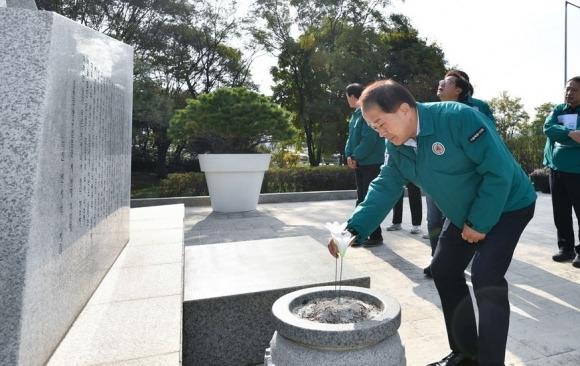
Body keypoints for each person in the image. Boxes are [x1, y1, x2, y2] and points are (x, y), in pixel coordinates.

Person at [327, 80, 536, 366]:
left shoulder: (457, 118)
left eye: (380, 123)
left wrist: (479, 222)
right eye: (374, 128)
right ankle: (466, 353)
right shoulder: (397, 145)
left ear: (403, 110)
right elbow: (385, 186)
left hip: (509, 205)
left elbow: (499, 173)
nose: (380, 133)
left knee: (487, 279)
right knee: (444, 270)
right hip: (463, 210)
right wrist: (353, 229)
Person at [543, 76, 580, 268]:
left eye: (574, 90)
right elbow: (548, 128)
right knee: (561, 212)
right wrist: (569, 134)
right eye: (567, 89)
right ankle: (566, 248)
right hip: (556, 169)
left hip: (577, 171)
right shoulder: (559, 109)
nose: (569, 93)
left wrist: (564, 135)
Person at [344, 83, 386, 247]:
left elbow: (369, 139)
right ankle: (359, 233)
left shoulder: (368, 113)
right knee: (361, 198)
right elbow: (350, 138)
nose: (347, 100)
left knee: (369, 199)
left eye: (347, 97)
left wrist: (355, 156)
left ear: (353, 96)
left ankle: (375, 236)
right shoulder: (355, 115)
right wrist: (349, 155)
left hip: (371, 163)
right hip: (360, 162)